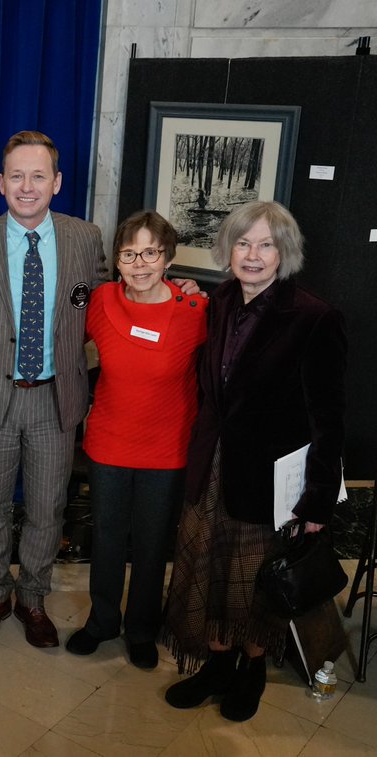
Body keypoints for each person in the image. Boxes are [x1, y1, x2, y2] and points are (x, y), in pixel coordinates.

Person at [163, 201, 346, 722]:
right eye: (243, 243)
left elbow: (328, 422)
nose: (253, 254)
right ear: (228, 250)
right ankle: (217, 665)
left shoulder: (314, 317)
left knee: (252, 579)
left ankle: (253, 670)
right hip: (212, 467)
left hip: (268, 480)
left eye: (266, 244)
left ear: (284, 252)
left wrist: (315, 502)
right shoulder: (219, 301)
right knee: (209, 569)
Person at [0, 131, 108, 649]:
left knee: (46, 508)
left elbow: (108, 308)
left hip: (56, 401)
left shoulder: (86, 238)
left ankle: (33, 598)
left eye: (39, 175)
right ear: (1, 183)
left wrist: (178, 293)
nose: (27, 186)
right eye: (17, 175)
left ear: (57, 182)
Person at [64, 211, 206, 669]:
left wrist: (193, 288)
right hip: (108, 443)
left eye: (151, 252)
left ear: (168, 257)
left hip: (166, 450)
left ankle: (142, 628)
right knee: (106, 537)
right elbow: (60, 326)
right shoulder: (100, 299)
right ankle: (102, 620)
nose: (140, 264)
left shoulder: (196, 310)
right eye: (129, 254)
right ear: (117, 261)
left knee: (151, 542)